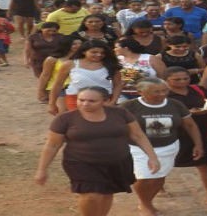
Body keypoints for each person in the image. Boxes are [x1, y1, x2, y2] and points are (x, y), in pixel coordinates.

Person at [35, 86, 160, 216]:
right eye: (81, 100)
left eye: (91, 101)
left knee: (107, 193)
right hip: (81, 163)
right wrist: (42, 169)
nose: (85, 104)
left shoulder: (121, 114)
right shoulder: (65, 119)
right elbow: (52, 145)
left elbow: (138, 135)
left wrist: (152, 157)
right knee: (91, 196)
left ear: (105, 101)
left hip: (117, 161)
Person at [121, 78, 203, 216]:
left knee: (159, 176)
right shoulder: (128, 106)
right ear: (141, 92)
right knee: (143, 177)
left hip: (168, 146)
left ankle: (148, 200)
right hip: (138, 148)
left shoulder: (175, 104)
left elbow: (190, 125)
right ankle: (145, 204)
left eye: (164, 90)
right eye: (156, 91)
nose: (162, 94)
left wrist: (198, 144)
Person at [49, 40, 124, 114]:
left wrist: (113, 102)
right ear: (84, 52)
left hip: (104, 100)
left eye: (102, 53)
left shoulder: (111, 65)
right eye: (94, 52)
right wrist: (52, 104)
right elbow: (58, 85)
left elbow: (117, 85)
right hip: (76, 99)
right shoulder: (70, 64)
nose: (99, 55)